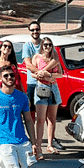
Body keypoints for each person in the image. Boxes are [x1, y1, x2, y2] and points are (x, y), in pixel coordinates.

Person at [22, 20, 64, 151]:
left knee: (50, 118)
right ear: (29, 31)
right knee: (34, 115)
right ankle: (35, 142)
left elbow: (56, 61)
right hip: (34, 83)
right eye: (32, 30)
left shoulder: (46, 44)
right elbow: (28, 65)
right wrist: (41, 73)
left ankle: (50, 143)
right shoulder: (28, 46)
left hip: (49, 84)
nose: (35, 32)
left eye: (37, 29)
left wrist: (46, 73)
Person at [32, 38, 63, 159]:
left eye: (50, 44)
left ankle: (50, 144)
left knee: (52, 119)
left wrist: (49, 75)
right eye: (45, 44)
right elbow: (33, 74)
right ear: (42, 46)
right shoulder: (37, 57)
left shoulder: (55, 58)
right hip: (41, 88)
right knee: (40, 119)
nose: (47, 47)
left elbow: (60, 74)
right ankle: (38, 147)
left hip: (54, 88)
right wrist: (42, 76)